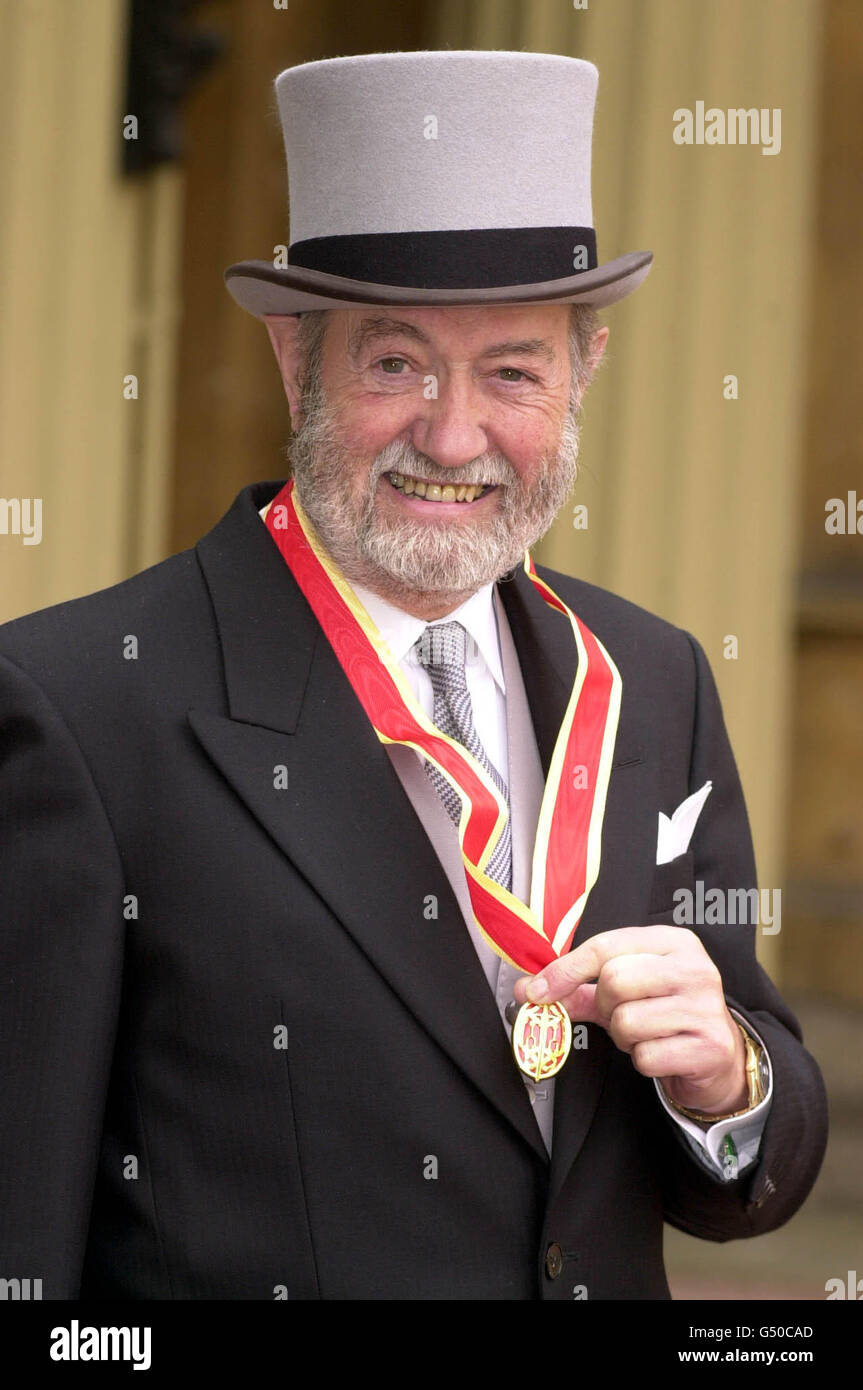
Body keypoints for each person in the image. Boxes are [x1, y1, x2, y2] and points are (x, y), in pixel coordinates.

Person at [0, 50, 826, 1301]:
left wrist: (730, 1080)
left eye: (511, 370)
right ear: (295, 361)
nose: (452, 435)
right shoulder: (74, 703)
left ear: (581, 373)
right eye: (392, 363)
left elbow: (751, 1154)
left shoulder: (653, 676)